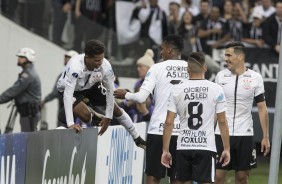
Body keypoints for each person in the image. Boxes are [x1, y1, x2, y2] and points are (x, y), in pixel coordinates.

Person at [114, 34, 188, 184]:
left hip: (158, 130)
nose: (160, 52)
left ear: (169, 49)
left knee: (153, 176)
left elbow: (141, 97)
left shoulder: (157, 68)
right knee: (178, 178)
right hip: (183, 132)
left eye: (162, 49)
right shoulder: (191, 68)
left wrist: (126, 94)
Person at [57, 39, 146, 149]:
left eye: (102, 59)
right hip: (70, 90)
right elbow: (68, 95)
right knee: (86, 117)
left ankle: (137, 138)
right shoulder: (75, 67)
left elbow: (109, 92)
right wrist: (70, 123)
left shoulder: (105, 65)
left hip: (90, 86)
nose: (100, 63)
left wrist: (108, 117)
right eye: (96, 60)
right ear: (87, 58)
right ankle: (92, 114)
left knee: (115, 108)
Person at [161, 52, 230, 183]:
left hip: (183, 145)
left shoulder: (177, 89)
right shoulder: (216, 89)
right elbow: (222, 121)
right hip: (206, 146)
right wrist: (226, 148)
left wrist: (165, 150)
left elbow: (169, 122)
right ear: (205, 67)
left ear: (187, 69)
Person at [214, 42, 271, 184]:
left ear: (240, 56)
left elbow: (262, 108)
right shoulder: (220, 77)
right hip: (220, 134)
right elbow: (215, 107)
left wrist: (265, 136)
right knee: (217, 178)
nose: (225, 58)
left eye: (228, 55)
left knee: (242, 178)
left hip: (244, 135)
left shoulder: (255, 78)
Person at [0, 47, 41, 132]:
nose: (19, 59)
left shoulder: (28, 74)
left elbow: (14, 91)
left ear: (28, 59)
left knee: (28, 139)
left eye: (21, 57)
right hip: (27, 113)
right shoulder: (28, 72)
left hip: (29, 114)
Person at [41, 50, 78, 127]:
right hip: (76, 109)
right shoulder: (80, 75)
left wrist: (45, 100)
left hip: (64, 109)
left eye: (68, 58)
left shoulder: (63, 76)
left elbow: (55, 92)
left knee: (62, 129)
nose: (65, 60)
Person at [120, 49, 155, 123]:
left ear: (149, 68)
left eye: (140, 66)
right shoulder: (138, 83)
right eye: (137, 66)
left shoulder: (156, 83)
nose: (138, 69)